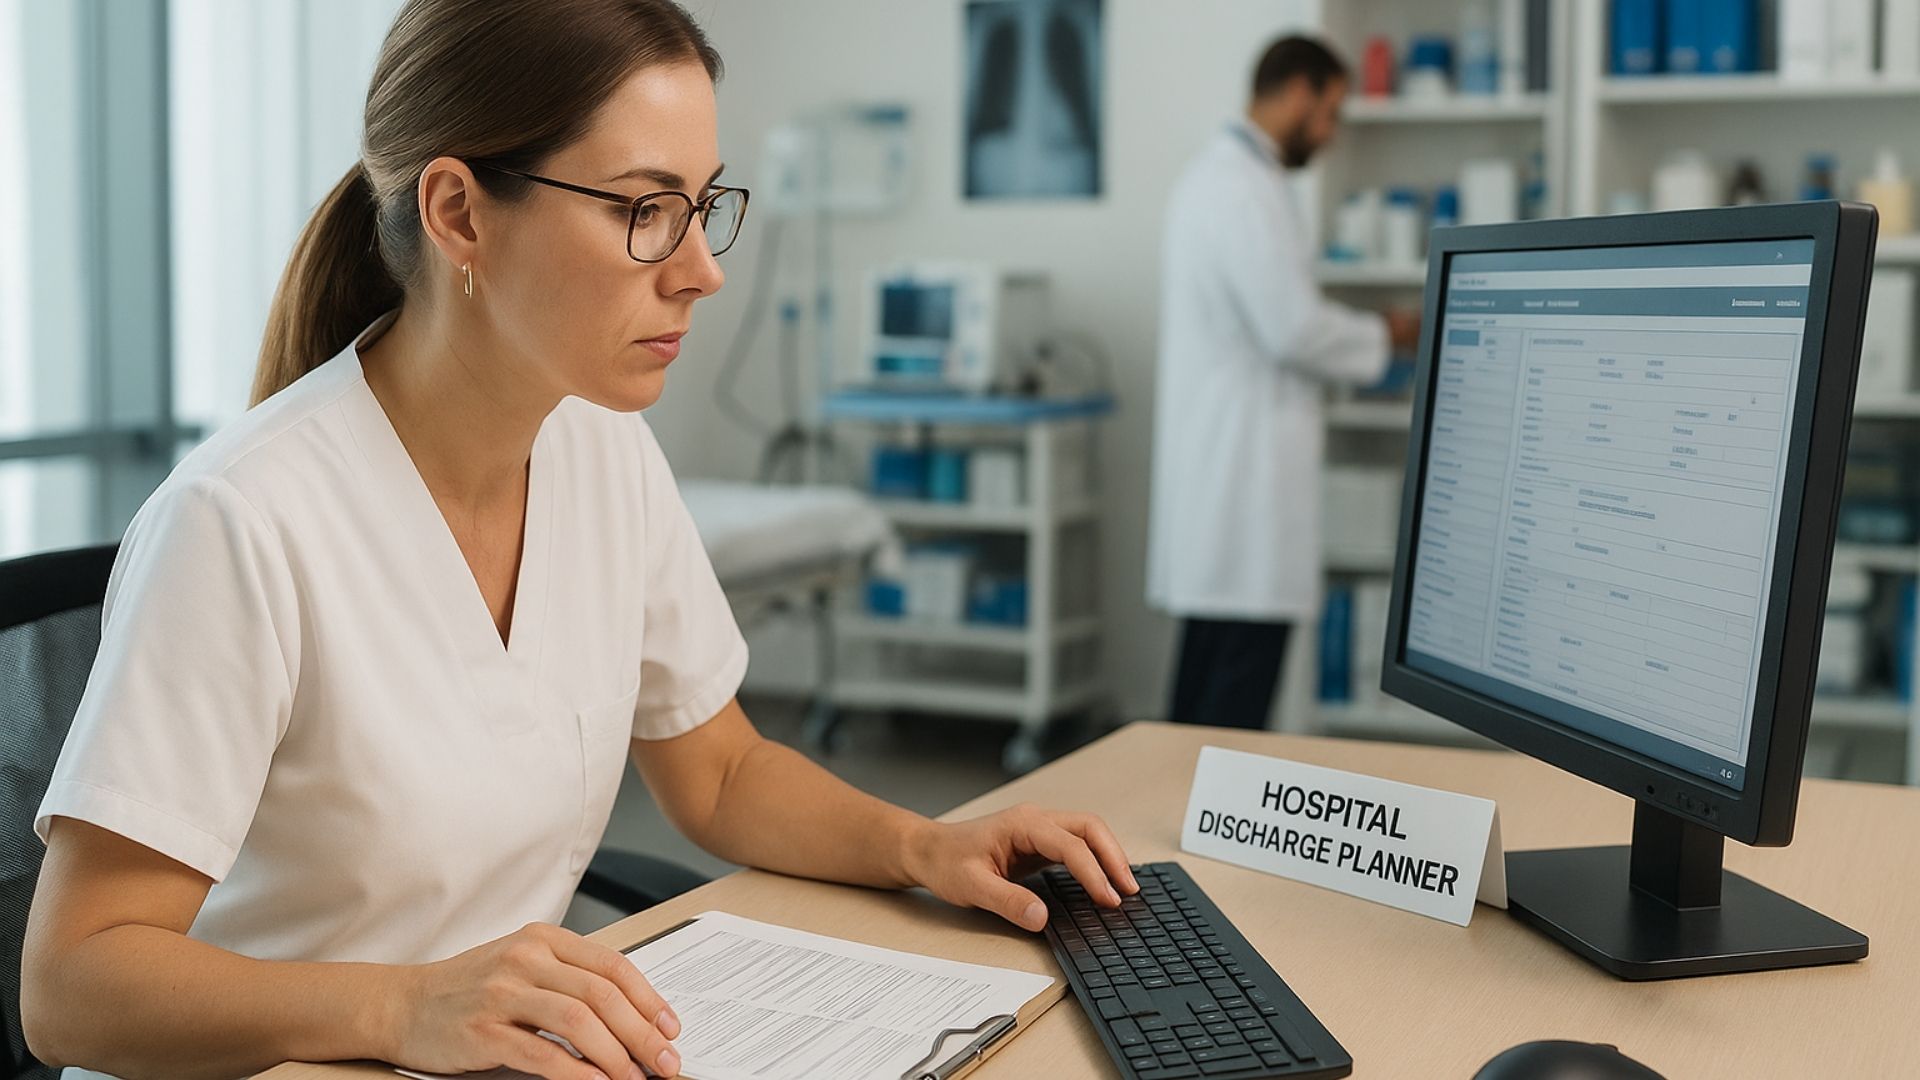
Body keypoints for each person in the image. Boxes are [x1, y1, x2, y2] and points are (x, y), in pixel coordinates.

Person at [19, 3, 1137, 1078]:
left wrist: (924, 847)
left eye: (707, 205)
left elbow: (723, 770)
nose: (704, 267)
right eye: (644, 209)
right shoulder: (241, 520)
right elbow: (72, 987)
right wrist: (404, 1005)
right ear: (459, 213)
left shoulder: (602, 452)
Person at [1146, 35, 1419, 731]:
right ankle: (1186, 833)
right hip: (1243, 488)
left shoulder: (1225, 179)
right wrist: (1390, 330)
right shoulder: (1242, 189)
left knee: (1199, 701)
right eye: (1331, 111)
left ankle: (1158, 825)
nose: (1330, 133)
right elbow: (1292, 329)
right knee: (1228, 704)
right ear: (1300, 91)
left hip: (1226, 479)